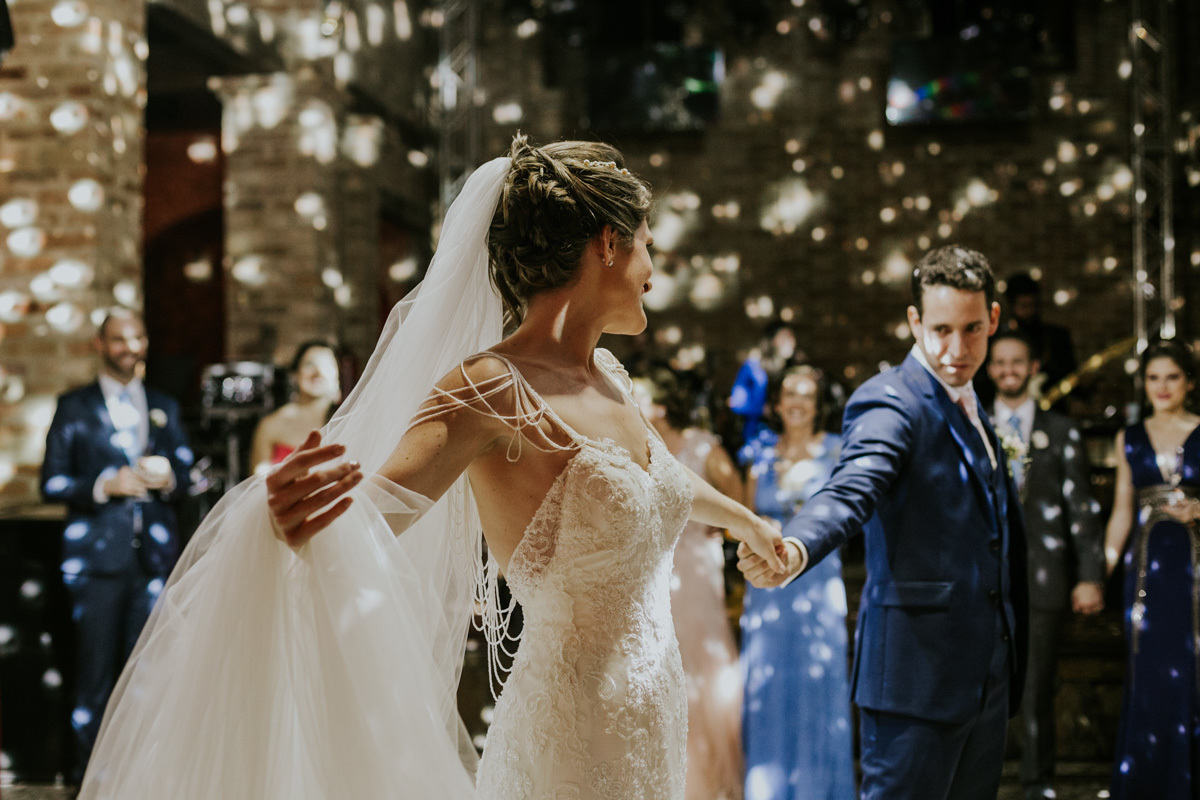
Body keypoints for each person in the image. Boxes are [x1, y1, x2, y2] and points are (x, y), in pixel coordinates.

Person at [79, 137, 787, 800]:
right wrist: (291, 520)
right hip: (572, 736)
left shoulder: (607, 375)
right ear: (608, 244)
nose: (653, 273)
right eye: (648, 248)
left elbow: (660, 476)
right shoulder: (488, 387)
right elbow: (382, 506)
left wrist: (748, 524)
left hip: (654, 715)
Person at [739, 245, 1028, 800]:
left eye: (971, 329)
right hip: (916, 682)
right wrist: (797, 544)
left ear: (993, 319)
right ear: (915, 322)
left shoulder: (974, 402)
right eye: (940, 329)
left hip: (986, 674)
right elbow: (853, 487)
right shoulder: (890, 402)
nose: (955, 349)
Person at [39, 309, 193, 782]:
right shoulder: (73, 406)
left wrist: (170, 476)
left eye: (138, 337)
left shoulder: (163, 403)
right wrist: (106, 483)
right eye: (119, 339)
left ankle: (142, 779)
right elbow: (52, 481)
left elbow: (186, 476)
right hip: (97, 563)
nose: (130, 346)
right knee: (95, 679)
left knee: (148, 674)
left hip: (154, 560)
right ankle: (94, 781)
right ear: (99, 345)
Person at [986, 330, 1104, 800]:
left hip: (1045, 577)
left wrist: (1090, 576)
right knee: (983, 689)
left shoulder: (1061, 430)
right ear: (989, 368)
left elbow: (1082, 509)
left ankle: (1038, 785)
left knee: (1037, 689)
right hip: (984, 581)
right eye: (1000, 363)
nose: (1008, 370)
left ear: (1034, 367)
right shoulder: (972, 426)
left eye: (1017, 361)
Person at [738, 365, 855, 800]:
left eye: (807, 394)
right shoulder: (760, 456)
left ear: (818, 404)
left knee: (818, 686)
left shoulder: (839, 452)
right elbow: (743, 522)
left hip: (818, 586)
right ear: (778, 402)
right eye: (790, 393)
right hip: (768, 591)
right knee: (769, 686)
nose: (797, 402)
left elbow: (851, 516)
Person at [632, 368, 746, 800]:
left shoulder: (702, 446)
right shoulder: (633, 445)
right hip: (649, 572)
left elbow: (736, 502)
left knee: (699, 661)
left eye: (635, 393)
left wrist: (715, 529)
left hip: (695, 570)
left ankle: (708, 782)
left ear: (660, 404)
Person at [1103, 339, 1200, 800]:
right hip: (1144, 571)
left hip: (1194, 568)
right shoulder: (1130, 436)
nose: (1162, 386)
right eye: (1153, 377)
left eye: (1172, 377)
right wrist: (1099, 568)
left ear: (1190, 382)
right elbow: (1122, 510)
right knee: (1148, 672)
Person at [250, 339, 341, 472]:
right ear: (295, 374)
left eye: (327, 365)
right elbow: (257, 482)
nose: (318, 373)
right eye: (310, 364)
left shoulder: (346, 421)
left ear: (337, 376)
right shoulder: (271, 424)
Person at [1003, 272, 1078, 395]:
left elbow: (1073, 384)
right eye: (1023, 306)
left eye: (1033, 305)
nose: (1029, 311)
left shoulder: (1057, 337)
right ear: (1011, 307)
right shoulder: (997, 339)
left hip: (1052, 411)